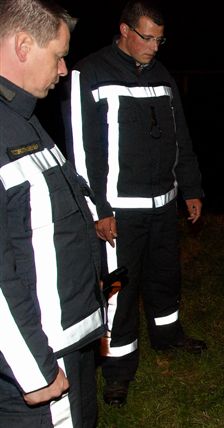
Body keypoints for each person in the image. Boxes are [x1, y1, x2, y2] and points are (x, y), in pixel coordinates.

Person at [66, 0, 206, 406]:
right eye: (148, 37)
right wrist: (99, 210)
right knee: (119, 293)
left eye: (160, 39)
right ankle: (117, 371)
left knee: (165, 278)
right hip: (120, 210)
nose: (155, 46)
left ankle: (168, 337)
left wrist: (191, 189)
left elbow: (181, 137)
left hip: (163, 204)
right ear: (124, 31)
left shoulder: (162, 75)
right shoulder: (88, 73)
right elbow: (81, 150)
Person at [0, 0, 106, 426]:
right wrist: (34, 371)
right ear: (24, 45)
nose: (63, 71)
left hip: (66, 342)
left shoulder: (24, 118)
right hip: (34, 358)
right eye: (59, 56)